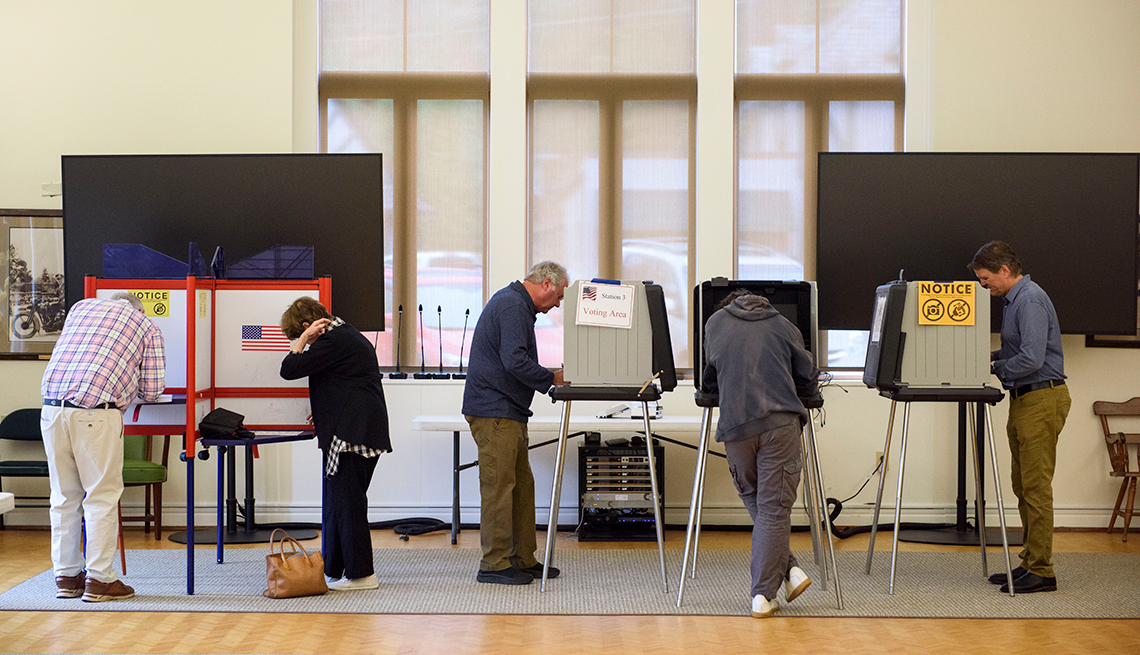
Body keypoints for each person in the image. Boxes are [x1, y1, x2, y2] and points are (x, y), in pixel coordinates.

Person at [40, 292, 165, 602]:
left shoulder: (81, 308)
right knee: (101, 497)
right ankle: (100, 580)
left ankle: (67, 577)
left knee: (63, 496)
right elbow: (152, 390)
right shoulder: (146, 325)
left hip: (51, 410)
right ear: (140, 308)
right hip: (96, 413)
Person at [702, 288, 819, 618]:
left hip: (736, 428)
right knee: (773, 508)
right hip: (779, 424)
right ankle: (763, 595)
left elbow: (710, 376)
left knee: (760, 503)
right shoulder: (783, 324)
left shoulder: (715, 324)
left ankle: (791, 571)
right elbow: (807, 376)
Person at [970, 240, 1070, 594]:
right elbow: (1017, 351)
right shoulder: (1014, 300)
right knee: (1022, 485)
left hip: (1041, 398)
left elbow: (1030, 359)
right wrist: (985, 356)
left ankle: (1042, 571)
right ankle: (1030, 562)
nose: (984, 286)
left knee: (1036, 488)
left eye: (986, 279)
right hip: (1025, 400)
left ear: (1005, 271)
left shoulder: (1028, 300)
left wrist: (994, 366)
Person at [462, 260, 568, 585]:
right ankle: (494, 563)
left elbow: (513, 359)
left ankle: (523, 558)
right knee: (499, 488)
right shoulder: (512, 306)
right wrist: (553, 379)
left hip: (508, 411)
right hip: (495, 411)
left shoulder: (516, 305)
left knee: (521, 487)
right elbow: (514, 360)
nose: (559, 303)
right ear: (547, 284)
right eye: (560, 295)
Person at [279, 297, 391, 592]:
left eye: (300, 333)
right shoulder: (346, 335)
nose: (302, 342)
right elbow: (342, 380)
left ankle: (362, 575)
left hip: (351, 435)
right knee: (338, 503)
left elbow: (289, 368)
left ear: (310, 326)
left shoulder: (333, 340)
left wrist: (302, 341)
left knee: (348, 504)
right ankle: (335, 569)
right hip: (358, 430)